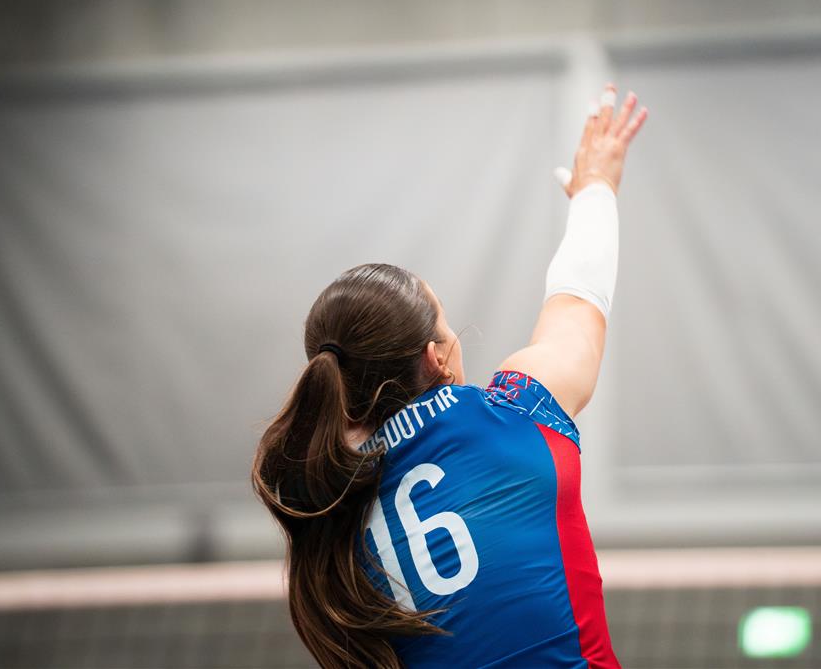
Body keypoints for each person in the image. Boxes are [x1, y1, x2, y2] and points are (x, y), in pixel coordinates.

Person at [252, 85, 648, 668]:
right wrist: (595, 189)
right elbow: (578, 301)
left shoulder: (331, 528)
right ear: (436, 357)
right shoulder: (519, 417)